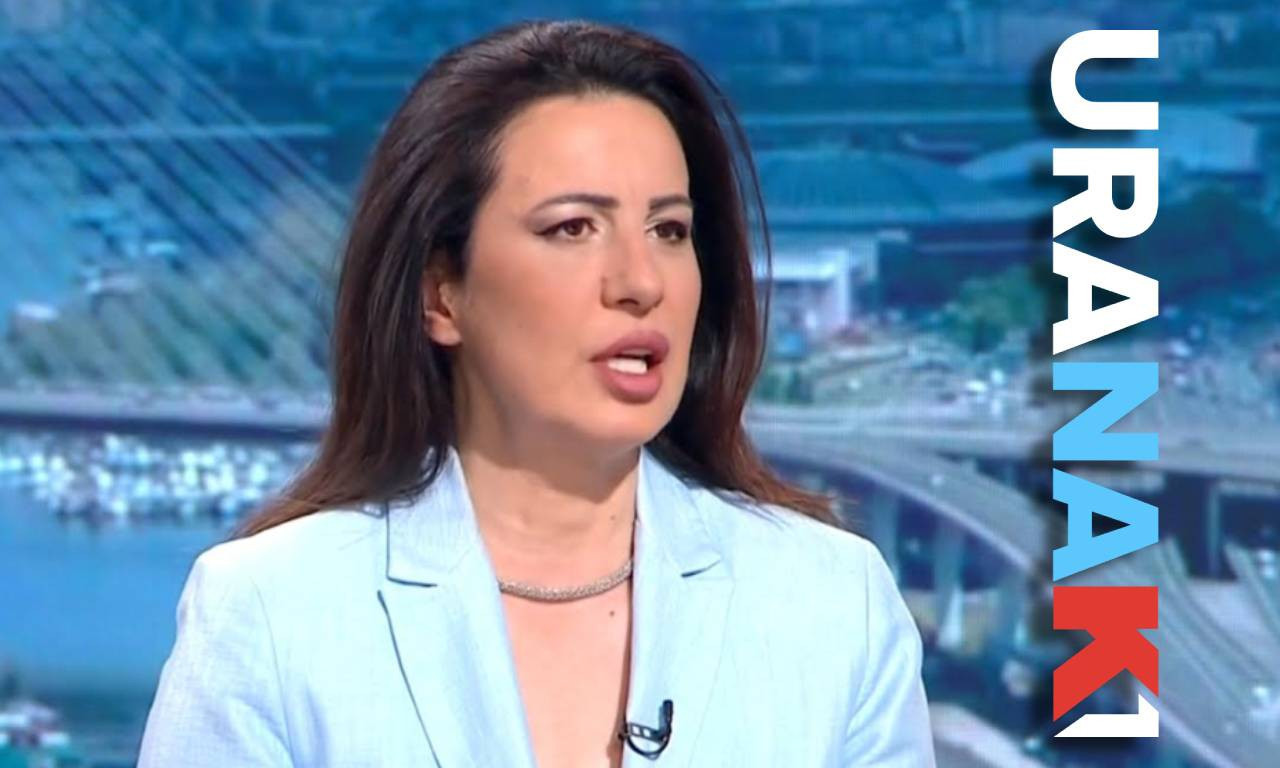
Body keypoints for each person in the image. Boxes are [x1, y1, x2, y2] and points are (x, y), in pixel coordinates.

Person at [137, 18, 935, 768]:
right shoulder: (272, 613)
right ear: (442, 294)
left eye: (669, 230)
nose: (640, 282)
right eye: (572, 228)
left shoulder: (831, 602)